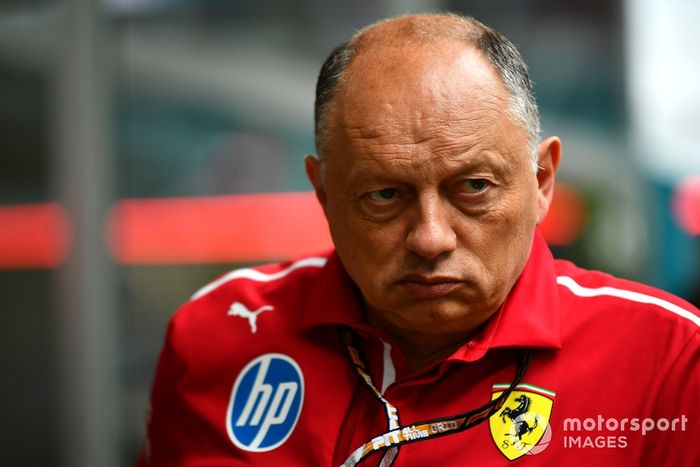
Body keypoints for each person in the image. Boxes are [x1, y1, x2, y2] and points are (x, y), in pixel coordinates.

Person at [136, 12, 699, 466]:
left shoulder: (669, 359)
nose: (431, 239)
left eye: (473, 187)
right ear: (323, 192)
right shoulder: (216, 335)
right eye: (384, 195)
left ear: (542, 181)